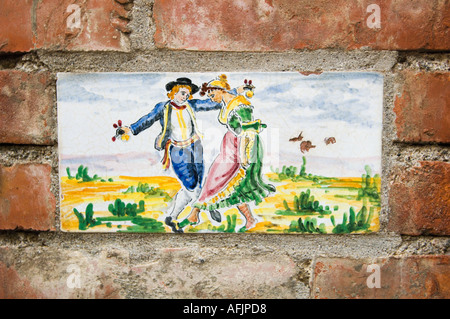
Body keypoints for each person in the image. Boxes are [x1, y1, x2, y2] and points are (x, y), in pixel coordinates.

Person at [115, 77, 222, 232]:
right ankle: (208, 205)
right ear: (172, 93)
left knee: (195, 185)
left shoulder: (191, 105)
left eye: (187, 94)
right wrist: (130, 129)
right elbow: (148, 119)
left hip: (195, 147)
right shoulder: (163, 108)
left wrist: (232, 94)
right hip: (178, 151)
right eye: (182, 93)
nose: (185, 96)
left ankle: (171, 217)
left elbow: (211, 104)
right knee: (191, 185)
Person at [178, 74, 275, 231]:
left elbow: (248, 132)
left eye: (212, 94)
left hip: (242, 146)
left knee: (221, 180)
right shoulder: (227, 102)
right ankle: (249, 219)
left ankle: (194, 214)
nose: (211, 98)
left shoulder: (241, 105)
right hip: (230, 146)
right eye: (209, 95)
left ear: (220, 90)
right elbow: (232, 92)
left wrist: (244, 155)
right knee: (227, 184)